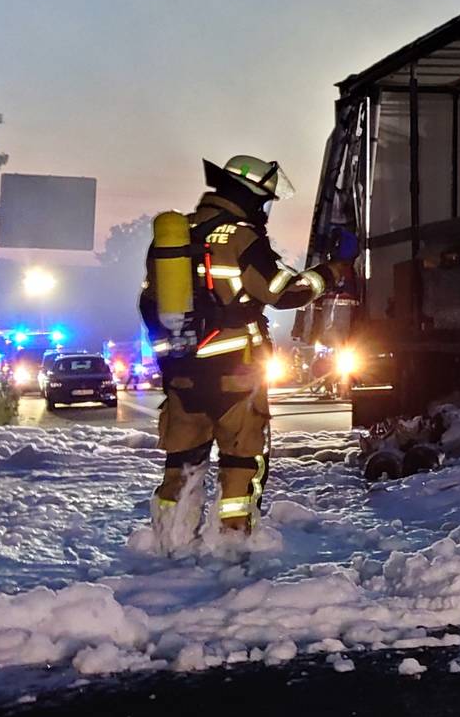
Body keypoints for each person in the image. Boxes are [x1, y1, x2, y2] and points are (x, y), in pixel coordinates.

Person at [138, 154, 353, 552]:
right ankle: (232, 553)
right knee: (240, 466)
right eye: (266, 200)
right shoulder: (241, 237)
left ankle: (168, 547)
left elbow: (151, 305)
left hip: (183, 376)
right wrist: (332, 273)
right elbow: (282, 290)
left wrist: (173, 364)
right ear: (251, 196)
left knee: (181, 466)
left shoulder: (176, 235)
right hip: (236, 376)